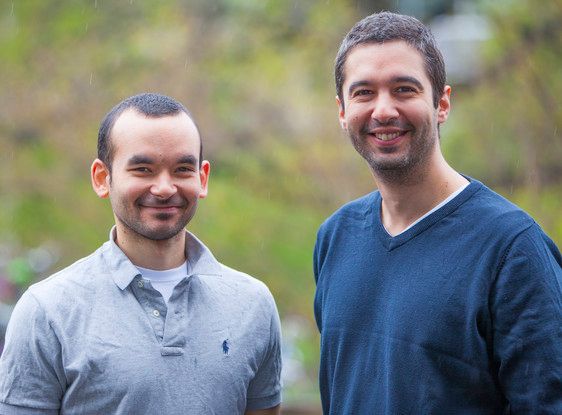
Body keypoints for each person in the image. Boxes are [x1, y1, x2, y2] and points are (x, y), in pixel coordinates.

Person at [314, 11, 562, 414]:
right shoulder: (335, 237)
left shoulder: (512, 249)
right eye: (363, 93)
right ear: (342, 111)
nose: (383, 110)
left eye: (404, 89)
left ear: (442, 102)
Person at [0, 93, 282, 414]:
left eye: (182, 169)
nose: (164, 188)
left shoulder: (252, 304)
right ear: (102, 178)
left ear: (202, 178)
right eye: (143, 169)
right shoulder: (47, 311)